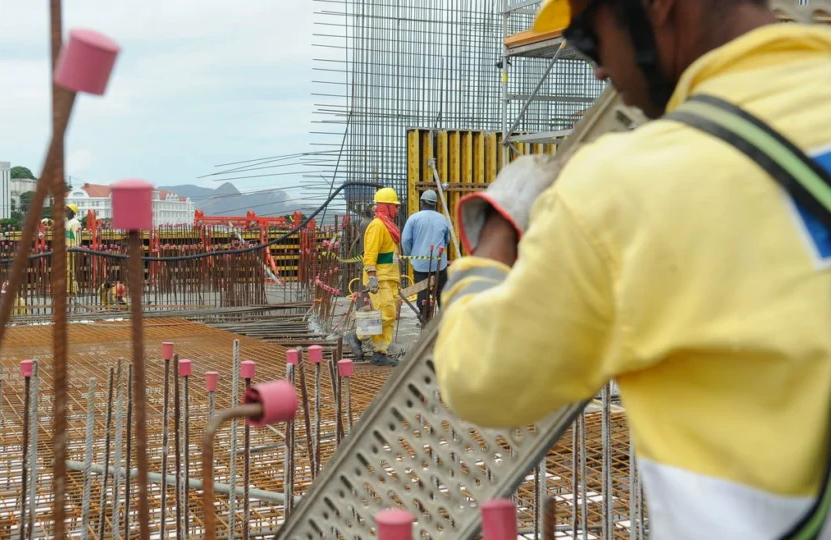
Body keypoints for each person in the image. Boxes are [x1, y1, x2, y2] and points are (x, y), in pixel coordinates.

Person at [433, 1, 831, 538]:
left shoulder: (619, 190)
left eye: (589, 38)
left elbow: (477, 376)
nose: (597, 69)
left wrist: (497, 228)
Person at [346, 187, 402, 367]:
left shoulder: (389, 227)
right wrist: (372, 278)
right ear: (386, 206)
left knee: (390, 317)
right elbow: (370, 255)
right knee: (386, 314)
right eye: (394, 206)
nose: (397, 209)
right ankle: (356, 336)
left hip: (390, 277)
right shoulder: (377, 226)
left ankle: (380, 353)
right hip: (379, 278)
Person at [401, 189, 451, 321]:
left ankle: (425, 319)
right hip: (440, 264)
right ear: (435, 204)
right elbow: (447, 240)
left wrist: (411, 256)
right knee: (441, 294)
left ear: (422, 202)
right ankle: (443, 322)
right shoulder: (443, 219)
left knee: (423, 295)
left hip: (420, 265)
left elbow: (405, 240)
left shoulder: (414, 218)